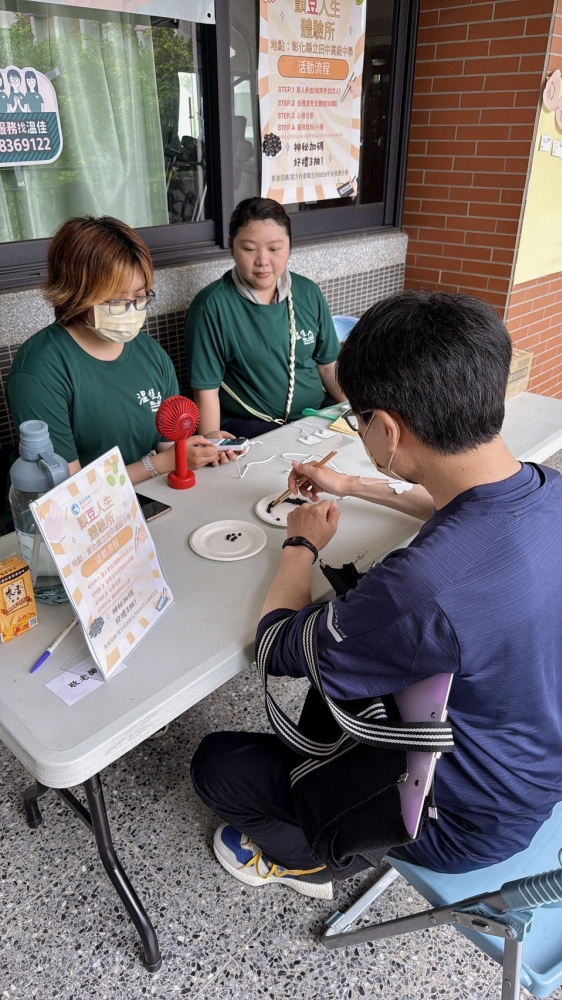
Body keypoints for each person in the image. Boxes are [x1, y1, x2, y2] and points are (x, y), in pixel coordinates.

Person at [191, 289, 562, 900]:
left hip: (458, 824)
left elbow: (278, 646)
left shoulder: (424, 587)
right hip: (530, 775)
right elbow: (454, 502)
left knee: (218, 767)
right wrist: (352, 485)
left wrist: (300, 545)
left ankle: (308, 862)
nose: (358, 428)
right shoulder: (546, 486)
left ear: (387, 428)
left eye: (358, 419)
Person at [8, 215, 234, 484]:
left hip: (153, 498)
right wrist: (157, 464)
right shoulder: (40, 369)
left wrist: (200, 449)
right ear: (75, 292)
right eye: (116, 299)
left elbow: (167, 447)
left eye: (139, 297)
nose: (130, 309)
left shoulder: (151, 354)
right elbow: (69, 490)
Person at [184, 197, 345, 439]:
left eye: (274, 249)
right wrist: (212, 441)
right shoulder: (211, 306)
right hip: (250, 425)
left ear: (289, 246)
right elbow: (206, 391)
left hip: (315, 416)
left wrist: (355, 410)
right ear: (231, 246)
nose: (262, 261)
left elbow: (328, 365)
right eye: (249, 249)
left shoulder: (308, 292)